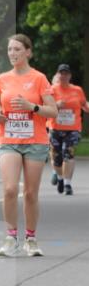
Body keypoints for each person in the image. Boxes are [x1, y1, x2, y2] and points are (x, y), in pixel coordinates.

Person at [0, 34, 57, 257]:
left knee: (30, 193)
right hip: (9, 139)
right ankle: (11, 237)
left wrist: (32, 106)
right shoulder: (2, 78)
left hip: (35, 141)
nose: (13, 53)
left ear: (28, 52)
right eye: (10, 49)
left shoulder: (39, 78)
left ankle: (31, 238)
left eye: (17, 49)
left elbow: (53, 111)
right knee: (10, 189)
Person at [49, 64, 88, 196]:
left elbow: (84, 104)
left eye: (66, 74)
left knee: (68, 154)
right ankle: (59, 178)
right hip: (55, 128)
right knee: (57, 158)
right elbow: (45, 107)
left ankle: (67, 184)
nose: (63, 76)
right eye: (61, 73)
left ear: (70, 76)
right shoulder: (52, 90)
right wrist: (55, 105)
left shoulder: (77, 90)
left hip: (73, 129)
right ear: (58, 75)